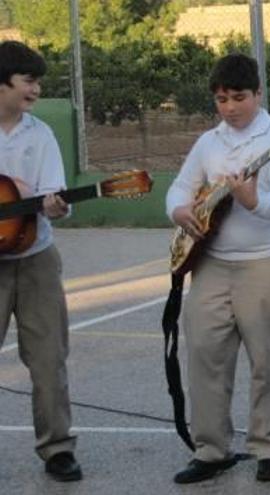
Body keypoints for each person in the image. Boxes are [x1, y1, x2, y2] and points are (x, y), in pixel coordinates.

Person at [166, 53, 270, 484]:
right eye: (222, 99)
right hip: (211, 264)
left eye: (238, 98)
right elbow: (178, 188)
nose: (229, 107)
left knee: (268, 361)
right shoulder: (210, 142)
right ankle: (210, 450)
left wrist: (252, 201)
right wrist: (180, 211)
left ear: (258, 94)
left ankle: (269, 448)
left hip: (267, 264)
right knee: (205, 356)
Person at [0, 40, 81, 483]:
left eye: (38, 82)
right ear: (2, 83)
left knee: (49, 357)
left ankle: (57, 448)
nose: (36, 89)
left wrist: (56, 207)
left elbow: (55, 193)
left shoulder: (41, 134)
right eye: (28, 80)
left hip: (35, 258)